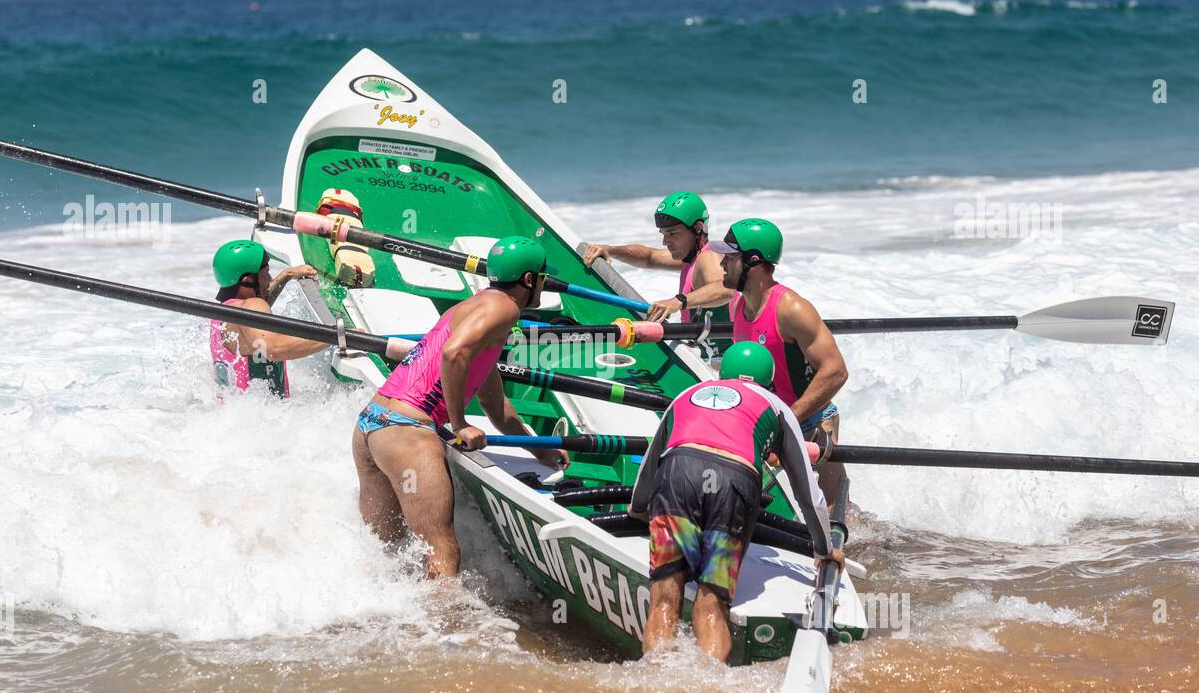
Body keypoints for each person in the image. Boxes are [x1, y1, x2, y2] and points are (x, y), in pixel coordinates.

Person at [352, 236, 569, 578]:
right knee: (443, 551)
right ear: (529, 279)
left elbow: (495, 406)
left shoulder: (473, 308)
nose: (544, 283)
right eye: (543, 277)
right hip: (407, 435)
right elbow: (454, 354)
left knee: (388, 556)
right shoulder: (504, 308)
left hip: (371, 427)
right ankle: (452, 632)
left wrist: (538, 448)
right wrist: (459, 423)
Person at [631, 341, 843, 662]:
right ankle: (712, 687)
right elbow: (806, 492)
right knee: (711, 603)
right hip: (734, 480)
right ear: (769, 382)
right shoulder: (777, 406)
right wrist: (824, 549)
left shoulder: (686, 394)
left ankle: (658, 680)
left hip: (677, 473)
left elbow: (649, 466)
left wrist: (638, 510)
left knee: (663, 600)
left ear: (721, 374)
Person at [709, 218, 849, 505]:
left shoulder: (792, 309)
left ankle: (877, 543)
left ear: (754, 262)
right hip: (768, 421)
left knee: (837, 515)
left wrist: (788, 420)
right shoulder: (738, 305)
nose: (722, 263)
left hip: (811, 422)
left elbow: (836, 371)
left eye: (730, 257)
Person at [582, 191, 730, 323]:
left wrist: (677, 302)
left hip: (722, 354)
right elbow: (649, 257)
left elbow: (725, 289)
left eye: (672, 233)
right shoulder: (691, 258)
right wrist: (610, 250)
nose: (665, 242)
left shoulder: (708, 257)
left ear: (698, 227)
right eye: (663, 234)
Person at [210, 238, 328, 397]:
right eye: (266, 274)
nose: (270, 279)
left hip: (236, 415)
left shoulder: (223, 312)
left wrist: (287, 274)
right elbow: (274, 349)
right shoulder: (252, 306)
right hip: (266, 419)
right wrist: (336, 336)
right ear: (248, 280)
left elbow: (258, 312)